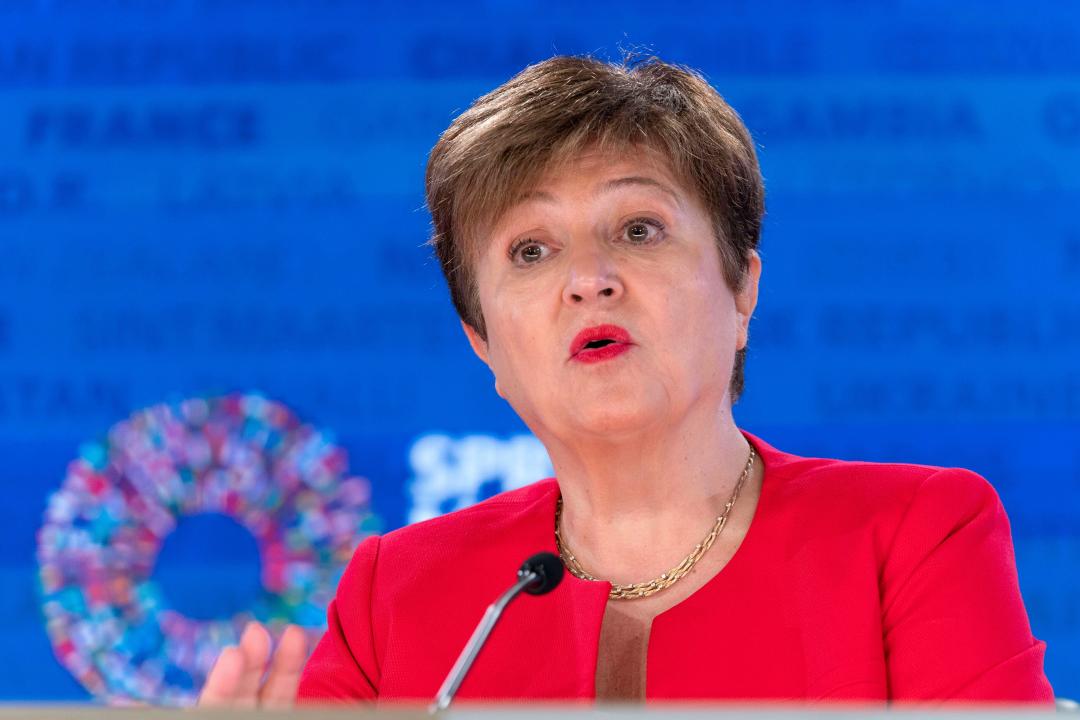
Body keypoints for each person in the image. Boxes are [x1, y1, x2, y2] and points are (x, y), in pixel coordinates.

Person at [198, 55, 1054, 706]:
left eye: (639, 229)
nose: (589, 278)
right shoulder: (397, 594)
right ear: (483, 342)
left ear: (743, 285)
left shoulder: (912, 537)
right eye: (530, 250)